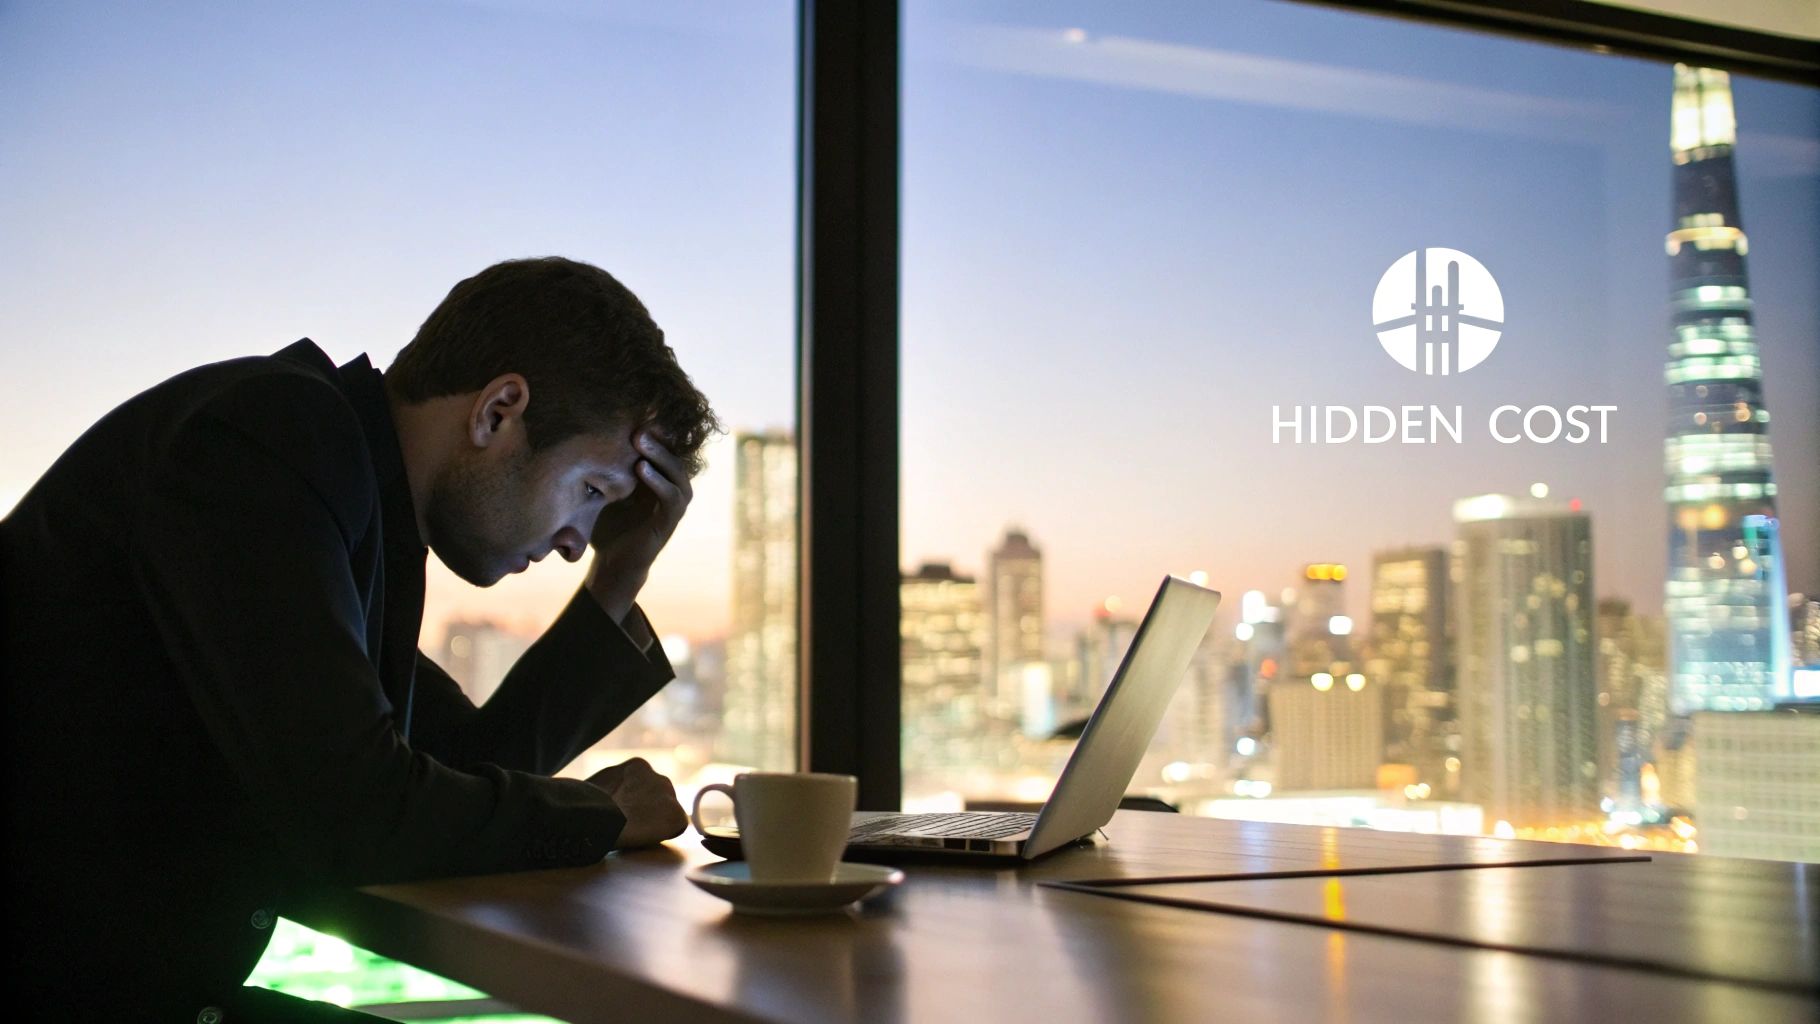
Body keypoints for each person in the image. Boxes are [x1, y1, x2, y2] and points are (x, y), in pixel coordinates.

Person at [1, 257, 719, 1021]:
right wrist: (595, 815)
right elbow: (358, 813)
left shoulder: (350, 502)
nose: (581, 540)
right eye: (592, 492)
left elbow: (466, 770)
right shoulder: (267, 441)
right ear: (498, 411)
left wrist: (618, 579)